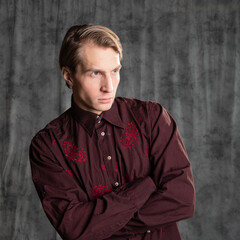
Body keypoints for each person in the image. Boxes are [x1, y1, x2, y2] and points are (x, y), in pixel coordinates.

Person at [29, 24, 195, 240]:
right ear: (69, 76)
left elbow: (182, 200)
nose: (109, 86)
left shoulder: (152, 118)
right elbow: (73, 227)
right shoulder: (48, 145)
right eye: (95, 73)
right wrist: (146, 186)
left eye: (115, 71)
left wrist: (99, 227)